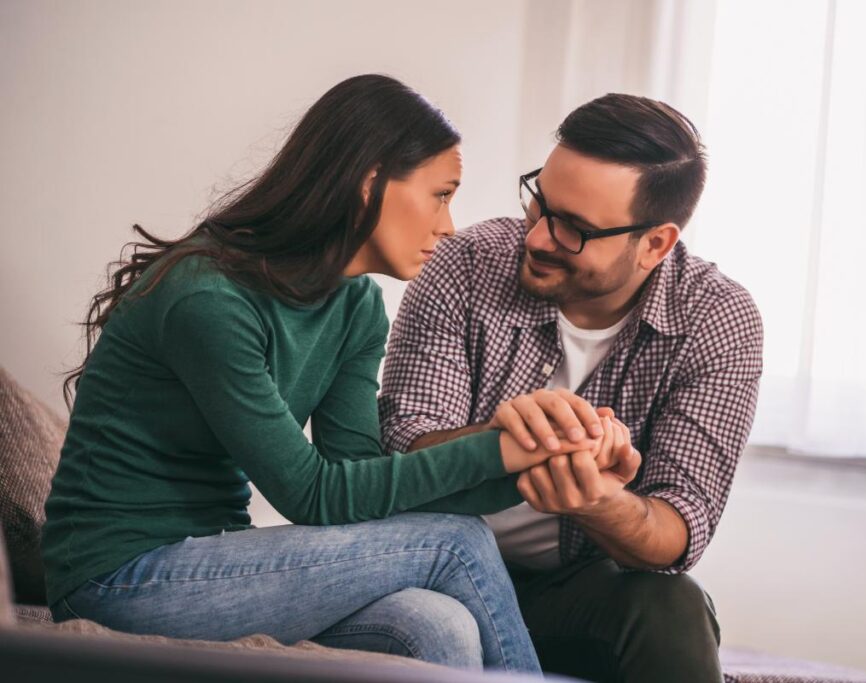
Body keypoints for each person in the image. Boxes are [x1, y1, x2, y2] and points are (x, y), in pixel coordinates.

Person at [40, 74, 628, 673]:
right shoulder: (207, 299)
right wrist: (503, 449)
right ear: (369, 182)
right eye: (441, 194)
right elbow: (313, 494)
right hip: (117, 578)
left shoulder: (355, 307)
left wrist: (541, 458)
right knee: (458, 542)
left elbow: (360, 479)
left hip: (213, 562)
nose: (449, 226)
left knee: (437, 621)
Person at [379, 93, 764, 682]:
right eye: (541, 204)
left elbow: (675, 533)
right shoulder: (465, 263)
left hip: (570, 588)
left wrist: (595, 497)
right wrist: (519, 436)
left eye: (576, 230)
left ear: (655, 244)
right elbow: (403, 452)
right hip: (427, 566)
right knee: (429, 620)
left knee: (672, 605)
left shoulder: (716, 319)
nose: (536, 239)